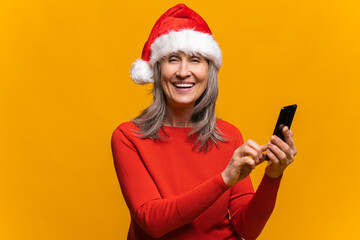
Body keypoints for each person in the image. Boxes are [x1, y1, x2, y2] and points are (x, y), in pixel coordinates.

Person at [111, 4, 297, 240]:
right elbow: (152, 221)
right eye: (172, 59)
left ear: (209, 71)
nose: (183, 71)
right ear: (157, 69)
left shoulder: (230, 136)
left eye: (196, 60)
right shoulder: (128, 137)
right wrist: (224, 180)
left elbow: (247, 230)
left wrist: (273, 175)